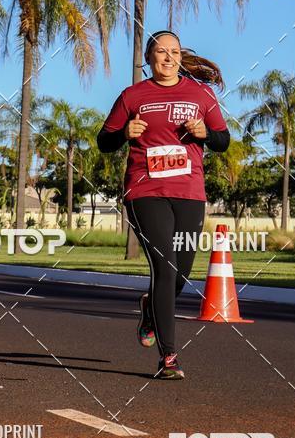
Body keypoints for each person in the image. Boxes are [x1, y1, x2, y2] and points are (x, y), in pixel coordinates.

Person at [97, 30, 230, 379]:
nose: (168, 58)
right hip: (145, 192)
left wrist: (205, 134)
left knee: (181, 273)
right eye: (161, 52)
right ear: (149, 57)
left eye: (174, 52)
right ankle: (168, 357)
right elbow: (104, 141)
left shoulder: (201, 94)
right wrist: (124, 133)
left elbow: (223, 140)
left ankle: (149, 308)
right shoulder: (132, 96)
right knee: (165, 268)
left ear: (180, 57)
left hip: (189, 193)